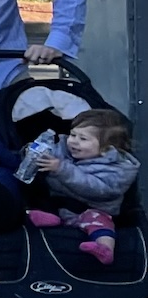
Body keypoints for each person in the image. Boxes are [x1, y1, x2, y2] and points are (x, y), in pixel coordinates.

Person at [21, 107, 136, 267]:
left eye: (83, 138)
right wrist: (33, 153)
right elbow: (44, 156)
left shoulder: (119, 168)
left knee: (100, 223)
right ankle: (51, 220)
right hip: (60, 205)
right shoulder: (64, 149)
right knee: (34, 206)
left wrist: (62, 169)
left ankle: (104, 248)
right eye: (73, 134)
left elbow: (98, 190)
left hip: (93, 210)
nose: (73, 141)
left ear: (105, 149)